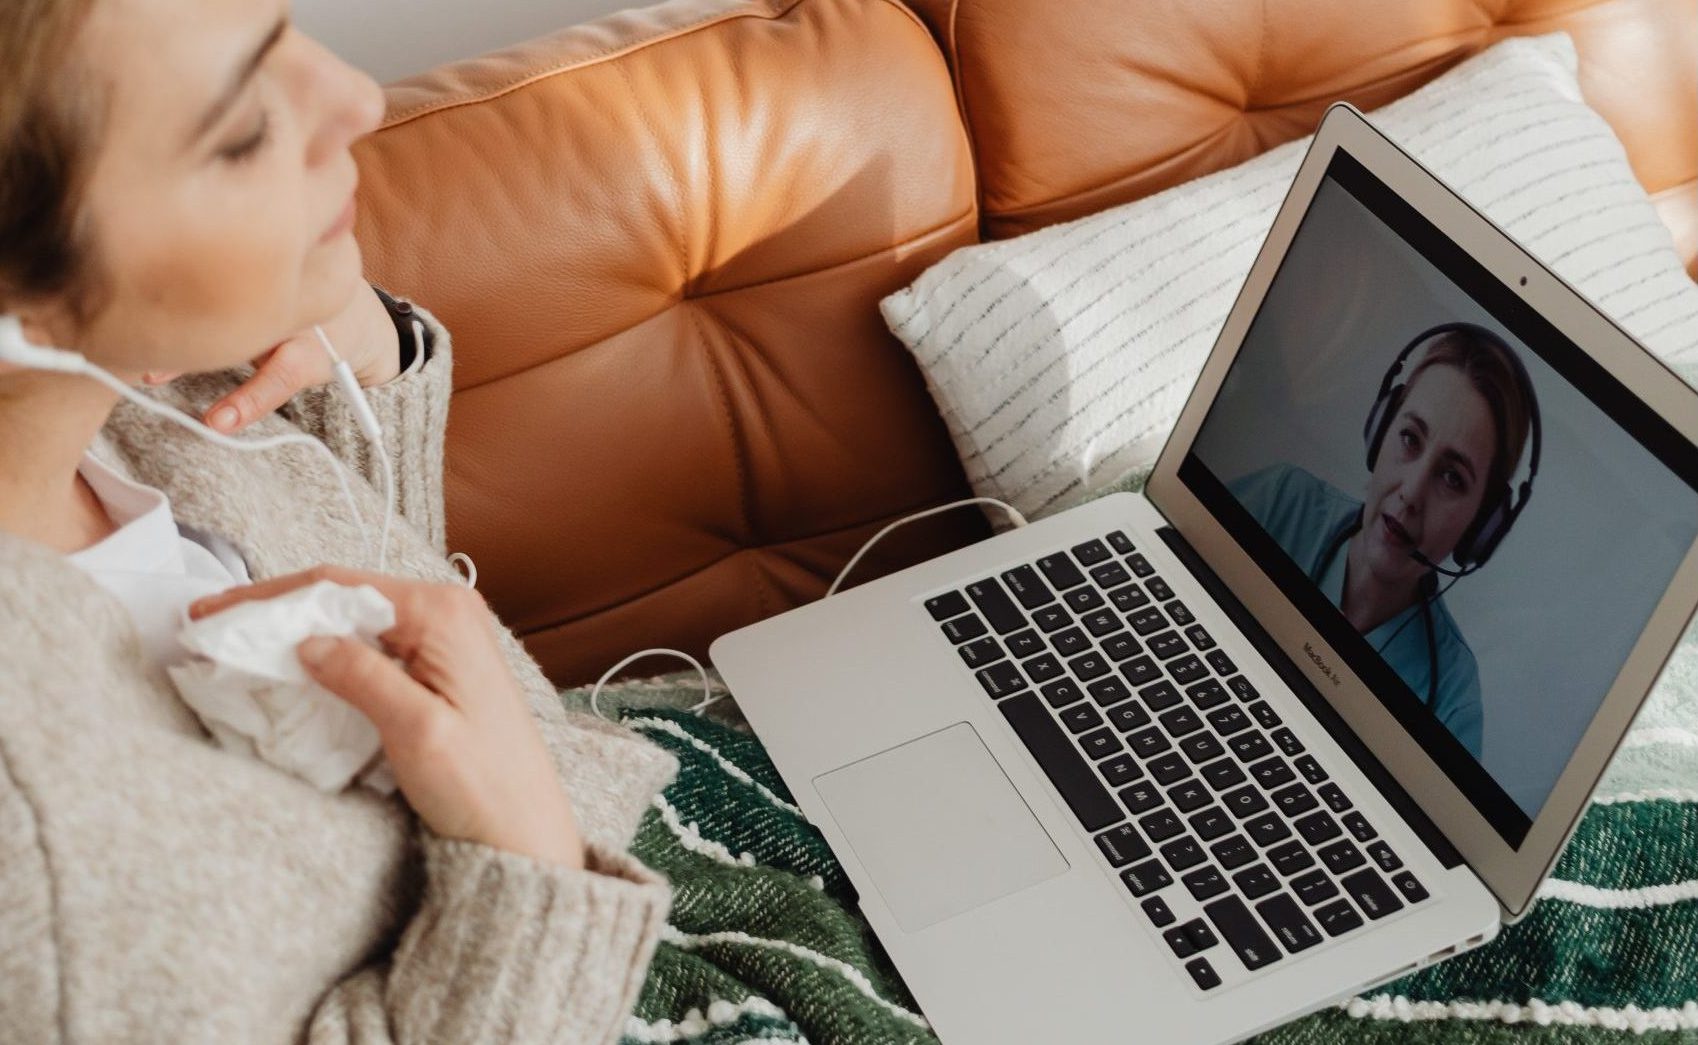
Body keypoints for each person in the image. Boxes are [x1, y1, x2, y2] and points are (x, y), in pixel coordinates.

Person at [0, 1, 677, 1040]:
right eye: (239, 132)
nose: (357, 100)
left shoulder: (132, 392)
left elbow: (381, 674)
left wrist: (365, 365)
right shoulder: (37, 866)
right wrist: (532, 871)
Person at [1227, 324, 1539, 762]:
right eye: (1410, 439)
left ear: (1480, 526)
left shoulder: (1452, 697)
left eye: (1452, 477)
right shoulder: (1281, 502)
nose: (1411, 492)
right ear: (1380, 430)